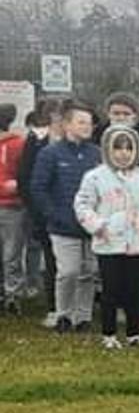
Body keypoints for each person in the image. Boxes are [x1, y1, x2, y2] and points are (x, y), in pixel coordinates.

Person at [74, 124, 139, 349]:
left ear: (135, 151)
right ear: (107, 150)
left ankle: (134, 333)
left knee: (135, 290)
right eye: (117, 148)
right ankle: (109, 334)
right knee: (110, 291)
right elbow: (83, 204)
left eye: (128, 148)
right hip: (109, 243)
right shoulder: (95, 177)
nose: (123, 153)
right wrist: (99, 226)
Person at [30, 101, 102, 333]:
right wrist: (54, 215)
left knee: (89, 272)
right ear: (67, 124)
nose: (87, 127)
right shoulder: (50, 153)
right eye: (81, 122)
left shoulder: (96, 154)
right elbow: (38, 188)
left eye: (89, 123)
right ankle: (63, 314)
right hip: (62, 226)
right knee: (68, 271)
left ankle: (83, 317)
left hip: (91, 226)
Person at [19, 99, 63, 308]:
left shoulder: (79, 142)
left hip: (73, 212)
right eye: (55, 115)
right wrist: (37, 210)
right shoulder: (36, 141)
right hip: (44, 213)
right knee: (52, 259)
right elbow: (25, 178)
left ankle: (77, 305)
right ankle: (54, 304)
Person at [0, 104, 25, 313]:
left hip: (12, 204)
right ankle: (11, 293)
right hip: (12, 204)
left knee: (11, 251)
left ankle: (12, 295)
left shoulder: (17, 144)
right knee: (11, 252)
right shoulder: (19, 142)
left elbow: (23, 172)